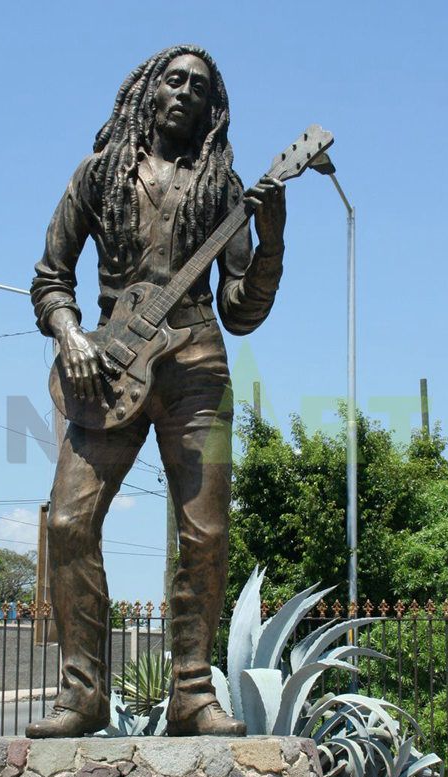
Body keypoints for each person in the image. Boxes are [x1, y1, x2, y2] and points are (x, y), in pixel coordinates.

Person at [28, 44, 286, 737]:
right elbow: (51, 277)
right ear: (147, 90)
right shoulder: (98, 174)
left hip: (199, 363)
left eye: (200, 88)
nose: (186, 93)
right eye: (174, 80)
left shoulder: (225, 191)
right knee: (67, 523)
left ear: (213, 108)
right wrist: (71, 336)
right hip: (110, 363)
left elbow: (241, 311)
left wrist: (272, 240)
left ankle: (192, 695)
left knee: (204, 532)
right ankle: (82, 694)